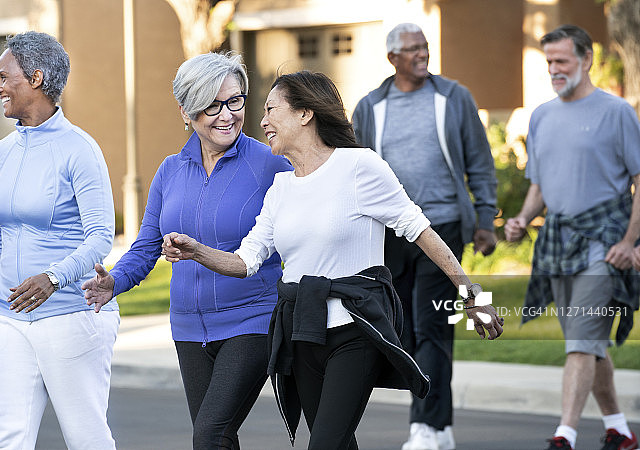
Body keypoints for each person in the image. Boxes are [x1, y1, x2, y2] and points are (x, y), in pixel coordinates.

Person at [161, 70, 503, 450]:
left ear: (305, 113)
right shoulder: (281, 188)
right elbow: (245, 261)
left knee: (324, 444)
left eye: (272, 109)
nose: (262, 122)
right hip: (303, 333)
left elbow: (419, 229)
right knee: (339, 444)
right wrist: (197, 251)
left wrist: (473, 294)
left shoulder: (360, 167)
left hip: (356, 330)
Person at [82, 52, 292, 449]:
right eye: (213, 106)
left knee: (209, 434)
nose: (227, 114)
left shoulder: (270, 164)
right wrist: (116, 281)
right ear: (186, 110)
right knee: (216, 438)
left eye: (235, 100)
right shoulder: (170, 170)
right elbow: (146, 245)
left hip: (252, 319)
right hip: (188, 327)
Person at [351, 22, 498, 450]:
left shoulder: (454, 98)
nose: (421, 54)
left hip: (444, 228)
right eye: (411, 49)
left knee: (433, 326)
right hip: (392, 234)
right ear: (392, 58)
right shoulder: (370, 107)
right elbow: (356, 170)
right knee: (408, 331)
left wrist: (485, 219)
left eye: (424, 47)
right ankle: (440, 424)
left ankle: (425, 427)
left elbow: (480, 161)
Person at [505, 24, 639, 450]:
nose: (554, 69)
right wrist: (523, 219)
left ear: (587, 60)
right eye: (549, 62)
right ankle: (619, 429)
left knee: (582, 338)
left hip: (606, 242)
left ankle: (565, 435)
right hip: (559, 243)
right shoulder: (542, 115)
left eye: (561, 60)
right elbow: (540, 187)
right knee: (588, 341)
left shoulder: (617, 112)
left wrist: (631, 243)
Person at [0, 31, 118, 450]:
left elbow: (101, 237)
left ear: (37, 78)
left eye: (5, 77)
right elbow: (5, 234)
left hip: (69, 315)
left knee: (85, 438)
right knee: (5, 441)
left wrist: (54, 278)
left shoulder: (80, 149)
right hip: (6, 318)